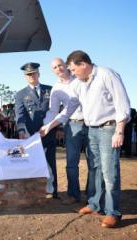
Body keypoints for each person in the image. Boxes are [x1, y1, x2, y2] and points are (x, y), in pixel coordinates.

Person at [40, 50, 131, 228]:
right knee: (95, 169)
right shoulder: (79, 84)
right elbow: (68, 109)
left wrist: (119, 131)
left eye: (73, 70)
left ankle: (113, 212)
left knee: (109, 171)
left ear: (83, 64)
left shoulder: (106, 74)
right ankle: (95, 204)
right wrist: (49, 126)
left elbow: (122, 103)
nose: (71, 73)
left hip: (108, 129)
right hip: (91, 130)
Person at [44, 58, 87, 204]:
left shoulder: (81, 77)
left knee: (94, 161)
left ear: (66, 65)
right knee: (71, 162)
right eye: (55, 67)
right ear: (53, 71)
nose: (58, 69)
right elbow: (53, 111)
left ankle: (92, 194)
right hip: (72, 125)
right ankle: (74, 195)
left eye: (60, 65)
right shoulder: (56, 89)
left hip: (92, 123)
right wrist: (45, 125)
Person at [14, 62, 58, 199]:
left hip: (49, 132)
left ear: (38, 73)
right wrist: (21, 130)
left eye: (33, 73)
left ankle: (52, 190)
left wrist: (59, 127)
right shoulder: (21, 94)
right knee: (33, 163)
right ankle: (34, 191)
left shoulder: (50, 90)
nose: (31, 76)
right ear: (25, 77)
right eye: (28, 74)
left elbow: (56, 111)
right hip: (31, 135)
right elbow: (19, 115)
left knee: (50, 162)